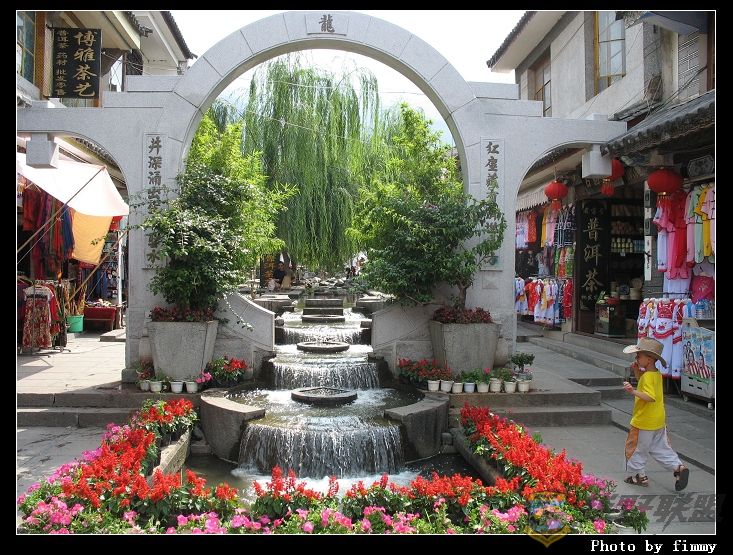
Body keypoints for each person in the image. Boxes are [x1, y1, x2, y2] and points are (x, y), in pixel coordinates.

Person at [621, 337, 689, 490]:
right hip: (658, 420)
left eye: (639, 356)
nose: (636, 358)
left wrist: (632, 391)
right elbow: (646, 385)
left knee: (636, 448)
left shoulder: (647, 376)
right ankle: (678, 467)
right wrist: (637, 372)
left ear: (649, 359)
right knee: (661, 448)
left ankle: (638, 476)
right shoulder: (655, 374)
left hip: (644, 421)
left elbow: (649, 396)